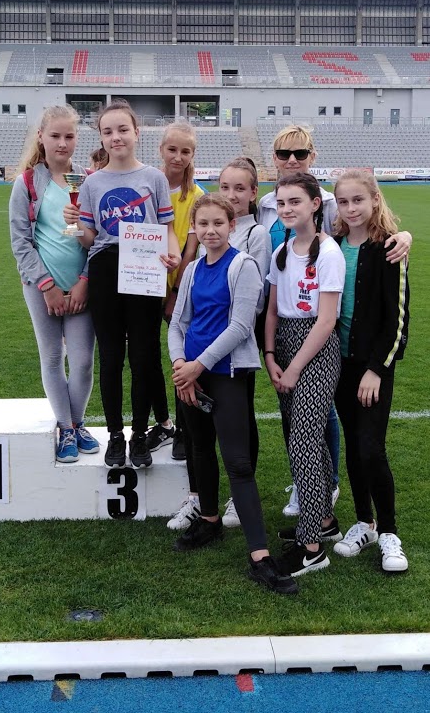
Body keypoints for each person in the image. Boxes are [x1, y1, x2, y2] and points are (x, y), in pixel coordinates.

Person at [258, 124, 413, 517]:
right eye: (284, 153)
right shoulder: (270, 208)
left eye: (300, 153)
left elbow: (395, 315)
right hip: (303, 332)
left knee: (345, 434)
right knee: (305, 423)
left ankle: (343, 502)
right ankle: (322, 493)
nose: (292, 160)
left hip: (335, 339)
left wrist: (404, 236)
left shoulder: (335, 216)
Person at [168, 193, 297, 595]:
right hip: (191, 375)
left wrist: (197, 366)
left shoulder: (243, 266)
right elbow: (177, 323)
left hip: (225, 374)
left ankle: (260, 556)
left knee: (238, 463)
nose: (210, 231)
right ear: (195, 228)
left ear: (231, 226)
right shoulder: (192, 269)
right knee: (200, 449)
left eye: (218, 224)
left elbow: (241, 326)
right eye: (203, 224)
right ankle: (209, 521)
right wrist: (180, 366)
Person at [64, 99, 181, 468]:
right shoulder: (92, 183)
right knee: (111, 357)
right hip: (104, 270)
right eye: (108, 131)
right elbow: (89, 239)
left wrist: (174, 254)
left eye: (122, 129)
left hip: (144, 268)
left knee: (144, 357)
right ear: (101, 137)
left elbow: (166, 228)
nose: (116, 137)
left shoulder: (154, 178)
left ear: (136, 132)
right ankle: (115, 434)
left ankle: (140, 435)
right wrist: (74, 225)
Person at [168, 157, 271, 533]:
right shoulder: (200, 253)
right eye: (225, 186)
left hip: (230, 358)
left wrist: (202, 359)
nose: (231, 194)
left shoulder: (251, 242)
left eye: (239, 188)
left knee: (238, 437)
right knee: (197, 437)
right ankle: (201, 504)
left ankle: (242, 513)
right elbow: (183, 316)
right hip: (195, 359)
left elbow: (249, 311)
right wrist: (183, 362)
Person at [264, 172, 345, 578]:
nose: (286, 209)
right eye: (281, 203)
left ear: (315, 204)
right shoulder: (282, 250)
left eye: (294, 201)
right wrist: (270, 355)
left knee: (304, 442)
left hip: (316, 350)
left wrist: (295, 367)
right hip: (285, 345)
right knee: (300, 439)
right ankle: (325, 521)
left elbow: (326, 320)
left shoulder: (328, 252)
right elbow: (273, 310)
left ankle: (312, 547)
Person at [9, 104, 99, 463]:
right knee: (51, 357)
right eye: (56, 135)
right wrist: (46, 285)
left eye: (69, 136)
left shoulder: (89, 180)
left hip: (81, 288)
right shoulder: (28, 182)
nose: (63, 143)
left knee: (83, 362)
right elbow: (20, 241)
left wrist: (84, 281)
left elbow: (99, 240)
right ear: (41, 137)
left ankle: (77, 423)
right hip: (40, 288)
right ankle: (66, 427)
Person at [332, 171, 410, 572]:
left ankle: (390, 533)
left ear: (375, 200)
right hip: (339, 365)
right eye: (344, 202)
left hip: (372, 368)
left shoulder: (389, 248)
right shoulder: (332, 245)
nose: (351, 209)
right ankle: (364, 523)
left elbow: (398, 320)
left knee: (371, 447)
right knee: (353, 444)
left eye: (358, 200)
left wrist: (376, 369)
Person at [147, 120, 203, 470]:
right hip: (143, 286)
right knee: (147, 359)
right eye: (172, 149)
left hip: (178, 293)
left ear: (192, 154)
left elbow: (191, 252)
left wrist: (176, 294)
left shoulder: (197, 197)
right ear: (161, 150)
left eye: (185, 151)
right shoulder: (145, 186)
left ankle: (184, 428)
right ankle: (163, 423)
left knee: (181, 359)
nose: (178, 157)